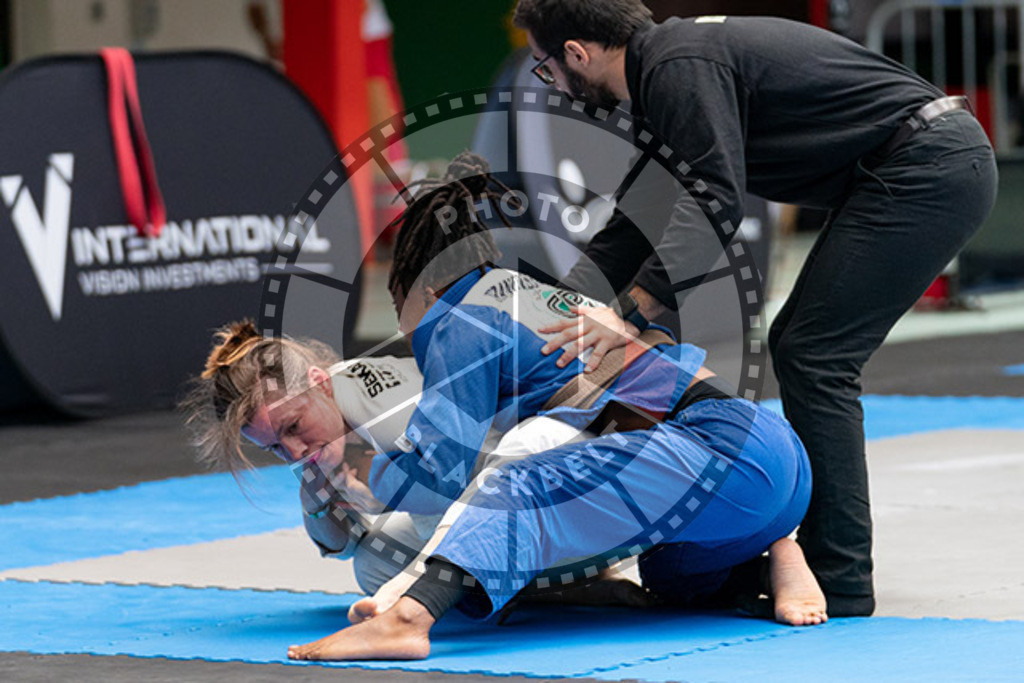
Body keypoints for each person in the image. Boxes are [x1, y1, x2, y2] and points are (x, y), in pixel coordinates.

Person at [511, 0, 998, 617]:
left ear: (577, 53)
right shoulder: (669, 67)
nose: (551, 83)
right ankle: (827, 567)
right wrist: (553, 311)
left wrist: (629, 311)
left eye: (545, 68)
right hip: (910, 165)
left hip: (928, 165)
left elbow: (712, 197)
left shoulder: (678, 65)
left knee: (814, 354)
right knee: (803, 345)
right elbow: (641, 214)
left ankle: (840, 579)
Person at [285, 151, 825, 662]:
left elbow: (441, 474)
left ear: (421, 290)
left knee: (518, 482)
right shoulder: (526, 293)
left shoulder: (455, 320)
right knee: (667, 578)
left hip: (720, 456)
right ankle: (773, 558)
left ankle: (408, 618)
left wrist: (366, 479)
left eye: (398, 300)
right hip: (768, 461)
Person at [184, 322, 645, 600]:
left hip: (601, 494)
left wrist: (405, 595)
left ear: (319, 381)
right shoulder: (325, 420)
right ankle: (562, 594)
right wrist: (316, 495)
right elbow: (342, 546)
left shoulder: (386, 416)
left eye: (292, 429)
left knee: (525, 452)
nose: (296, 451)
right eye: (276, 448)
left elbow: (476, 507)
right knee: (371, 566)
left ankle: (567, 580)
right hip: (549, 519)